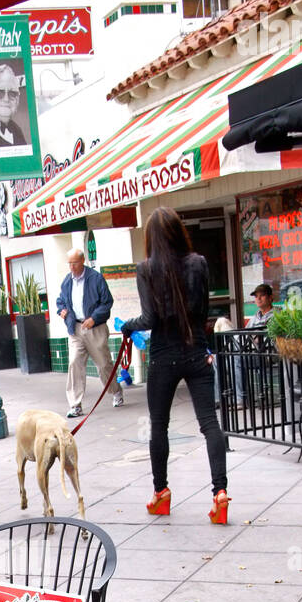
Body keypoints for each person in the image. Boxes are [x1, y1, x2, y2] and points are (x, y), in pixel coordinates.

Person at [122, 207, 230, 525]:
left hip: (163, 356)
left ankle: (161, 493)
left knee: (159, 426)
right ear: (179, 231)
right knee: (210, 424)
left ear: (152, 238)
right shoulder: (199, 263)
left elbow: (149, 319)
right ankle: (220, 494)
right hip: (196, 352)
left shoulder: (146, 269)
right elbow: (204, 311)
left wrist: (127, 325)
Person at [57, 250, 115, 417]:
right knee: (74, 362)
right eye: (69, 263)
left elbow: (107, 302)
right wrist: (62, 310)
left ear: (83, 261)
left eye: (74, 262)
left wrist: (94, 318)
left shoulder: (96, 278)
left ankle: (115, 391)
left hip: (94, 328)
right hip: (75, 328)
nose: (72, 267)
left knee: (104, 364)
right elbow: (60, 300)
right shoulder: (67, 281)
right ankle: (75, 404)